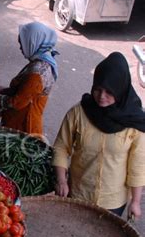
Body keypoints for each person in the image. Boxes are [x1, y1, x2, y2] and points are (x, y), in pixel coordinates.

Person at [53, 52, 145, 219]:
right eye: (98, 89)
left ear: (120, 89)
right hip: (78, 194)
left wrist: (136, 202)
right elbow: (61, 146)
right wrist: (61, 180)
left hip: (114, 202)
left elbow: (137, 165)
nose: (101, 96)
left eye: (109, 92)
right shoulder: (78, 113)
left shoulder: (135, 123)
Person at [0, 22, 58, 136]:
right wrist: (2, 90)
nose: (21, 47)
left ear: (33, 42)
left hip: (24, 127)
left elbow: (16, 103)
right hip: (23, 121)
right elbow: (24, 89)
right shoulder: (43, 61)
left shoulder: (36, 73)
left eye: (23, 43)